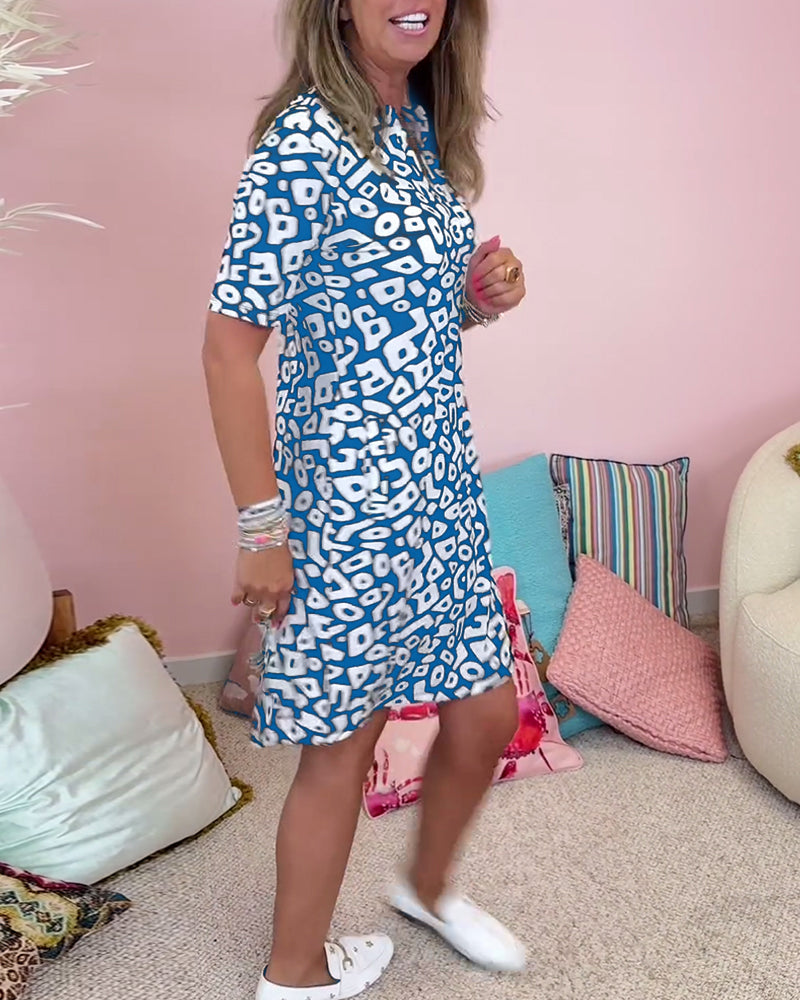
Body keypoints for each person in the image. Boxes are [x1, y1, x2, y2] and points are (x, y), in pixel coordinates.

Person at [203, 1, 528, 997]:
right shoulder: (303, 143)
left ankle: (425, 889)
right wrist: (262, 529)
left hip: (438, 491)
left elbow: (386, 310)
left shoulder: (417, 126)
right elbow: (227, 352)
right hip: (347, 507)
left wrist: (477, 295)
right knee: (344, 744)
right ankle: (294, 973)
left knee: (488, 710)